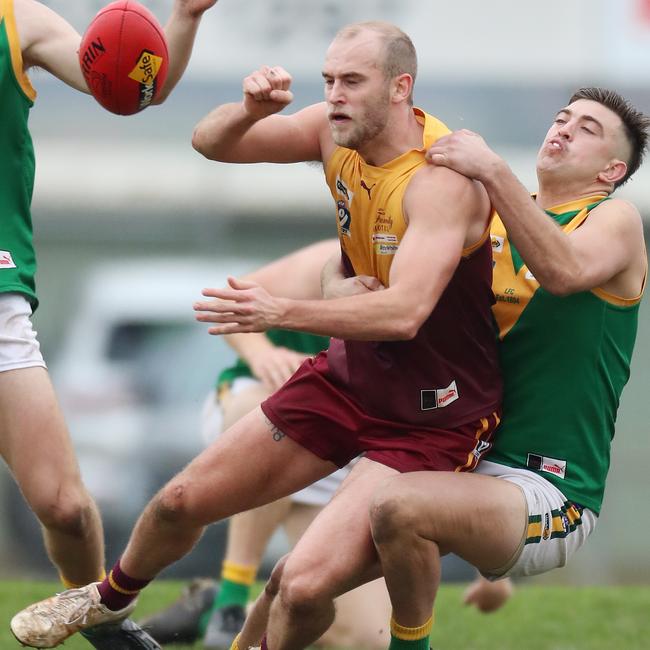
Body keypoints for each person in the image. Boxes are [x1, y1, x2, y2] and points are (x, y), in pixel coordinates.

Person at [10, 21, 502, 650]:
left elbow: (403, 313)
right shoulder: (333, 133)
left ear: (402, 87)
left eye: (352, 81)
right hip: (351, 383)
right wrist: (246, 112)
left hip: (432, 419)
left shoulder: (440, 179)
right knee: (177, 503)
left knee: (298, 589)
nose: (335, 95)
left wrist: (280, 312)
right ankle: (108, 602)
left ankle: (243, 614)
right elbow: (209, 143)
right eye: (328, 81)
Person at [366, 87, 649, 650]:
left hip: (549, 490)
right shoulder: (491, 219)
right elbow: (351, 268)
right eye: (562, 118)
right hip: (456, 460)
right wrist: (344, 284)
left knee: (399, 507)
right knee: (297, 586)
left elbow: (563, 270)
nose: (564, 129)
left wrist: (492, 170)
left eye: (588, 129)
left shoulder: (615, 220)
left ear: (613, 169)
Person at [1, 0, 217, 648]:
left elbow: (131, 86)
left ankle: (106, 626)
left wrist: (184, 18)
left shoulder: (18, 22)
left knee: (66, 509)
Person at [140, 240, 392, 650]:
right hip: (264, 410)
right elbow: (236, 295)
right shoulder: (350, 252)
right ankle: (232, 598)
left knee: (367, 639)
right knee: (276, 411)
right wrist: (262, 353)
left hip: (345, 454)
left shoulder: (455, 272)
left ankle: (211, 606)